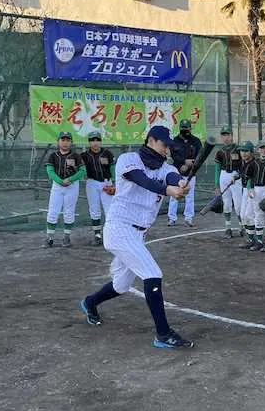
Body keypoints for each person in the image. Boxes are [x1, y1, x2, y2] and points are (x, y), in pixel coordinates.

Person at [79, 125, 194, 350]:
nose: (166, 150)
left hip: (137, 233)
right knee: (152, 274)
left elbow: (171, 176)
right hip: (119, 228)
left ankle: (90, 302)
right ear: (151, 140)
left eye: (168, 147)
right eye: (163, 145)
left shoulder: (164, 168)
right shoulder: (128, 159)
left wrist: (179, 184)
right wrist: (169, 191)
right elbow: (143, 180)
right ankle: (163, 334)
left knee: (121, 285)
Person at [46, 131, 86, 247]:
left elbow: (83, 171)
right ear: (58, 142)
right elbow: (50, 171)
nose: (65, 142)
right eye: (63, 140)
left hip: (72, 186)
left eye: (68, 140)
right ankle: (49, 237)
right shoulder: (53, 156)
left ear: (71, 142)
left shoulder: (76, 156)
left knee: (69, 211)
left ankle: (66, 237)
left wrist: (71, 179)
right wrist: (60, 181)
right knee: (53, 211)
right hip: (57, 186)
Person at [81, 131, 115, 246]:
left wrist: (113, 183)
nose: (95, 142)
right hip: (92, 183)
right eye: (92, 140)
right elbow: (81, 169)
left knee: (109, 210)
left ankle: (110, 235)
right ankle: (97, 235)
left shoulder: (107, 153)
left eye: (97, 140)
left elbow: (113, 168)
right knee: (94, 210)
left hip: (106, 183)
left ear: (100, 141)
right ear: (89, 142)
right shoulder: (84, 156)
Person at [168, 119, 202, 227]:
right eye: (183, 128)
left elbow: (200, 156)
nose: (185, 130)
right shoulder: (175, 141)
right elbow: (174, 156)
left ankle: (188, 218)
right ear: (180, 128)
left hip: (191, 173)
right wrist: (182, 162)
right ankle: (172, 218)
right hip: (177, 172)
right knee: (174, 195)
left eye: (187, 128)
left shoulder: (196, 141)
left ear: (190, 128)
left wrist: (189, 164)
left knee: (189, 196)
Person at [214, 125, 244, 238]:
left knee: (238, 204)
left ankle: (242, 227)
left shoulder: (239, 149)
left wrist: (239, 176)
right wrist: (216, 184)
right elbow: (217, 169)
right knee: (226, 203)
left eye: (228, 135)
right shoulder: (220, 152)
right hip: (224, 175)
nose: (226, 137)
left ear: (232, 135)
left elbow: (243, 165)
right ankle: (228, 227)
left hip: (236, 175)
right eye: (224, 135)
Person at [237, 141, 260, 250]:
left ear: (251, 152)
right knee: (242, 215)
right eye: (242, 151)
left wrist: (251, 190)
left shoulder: (255, 163)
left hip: (253, 190)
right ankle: (251, 237)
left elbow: (252, 178)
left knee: (249, 215)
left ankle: (253, 239)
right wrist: (236, 177)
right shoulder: (242, 163)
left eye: (246, 151)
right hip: (244, 190)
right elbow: (243, 174)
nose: (244, 153)